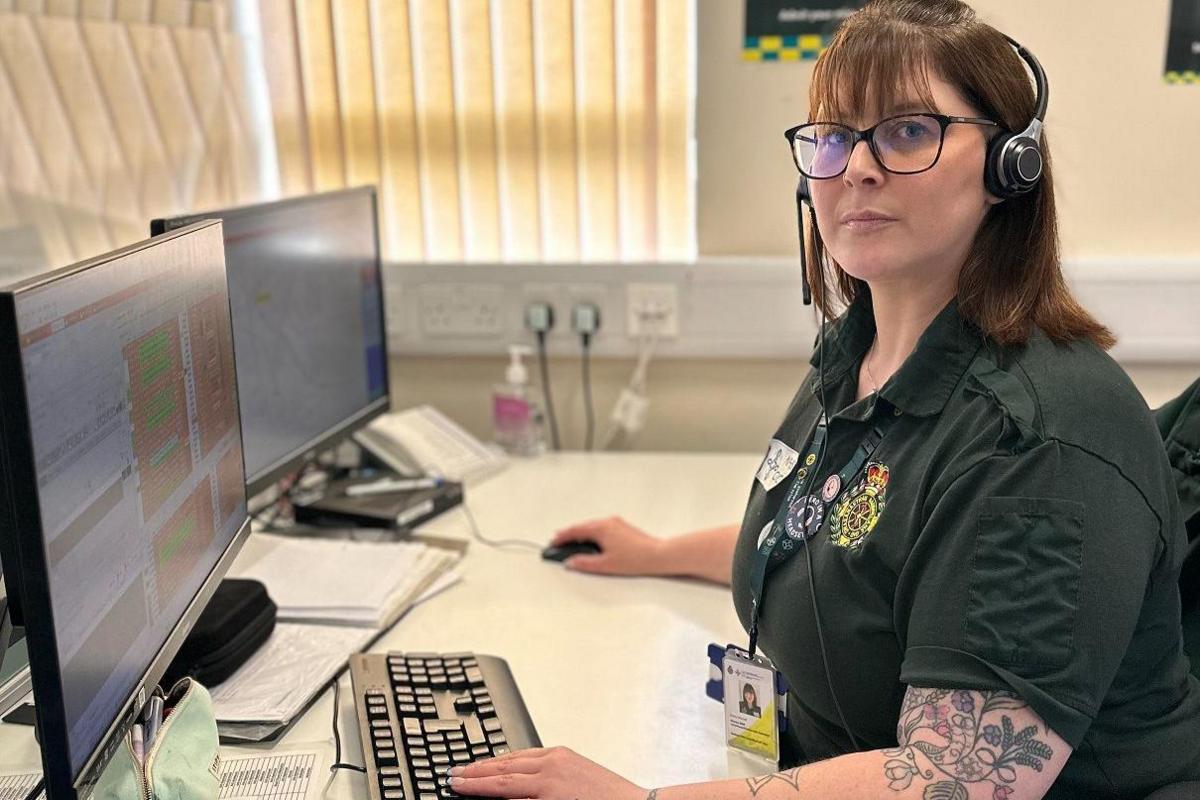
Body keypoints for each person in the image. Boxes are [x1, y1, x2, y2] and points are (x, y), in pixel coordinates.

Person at [451, 1, 1200, 798]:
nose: (858, 167)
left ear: (1008, 166)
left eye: (909, 130)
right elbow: (837, 535)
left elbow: (957, 779)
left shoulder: (1038, 441)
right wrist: (659, 552)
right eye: (835, 137)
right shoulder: (862, 354)